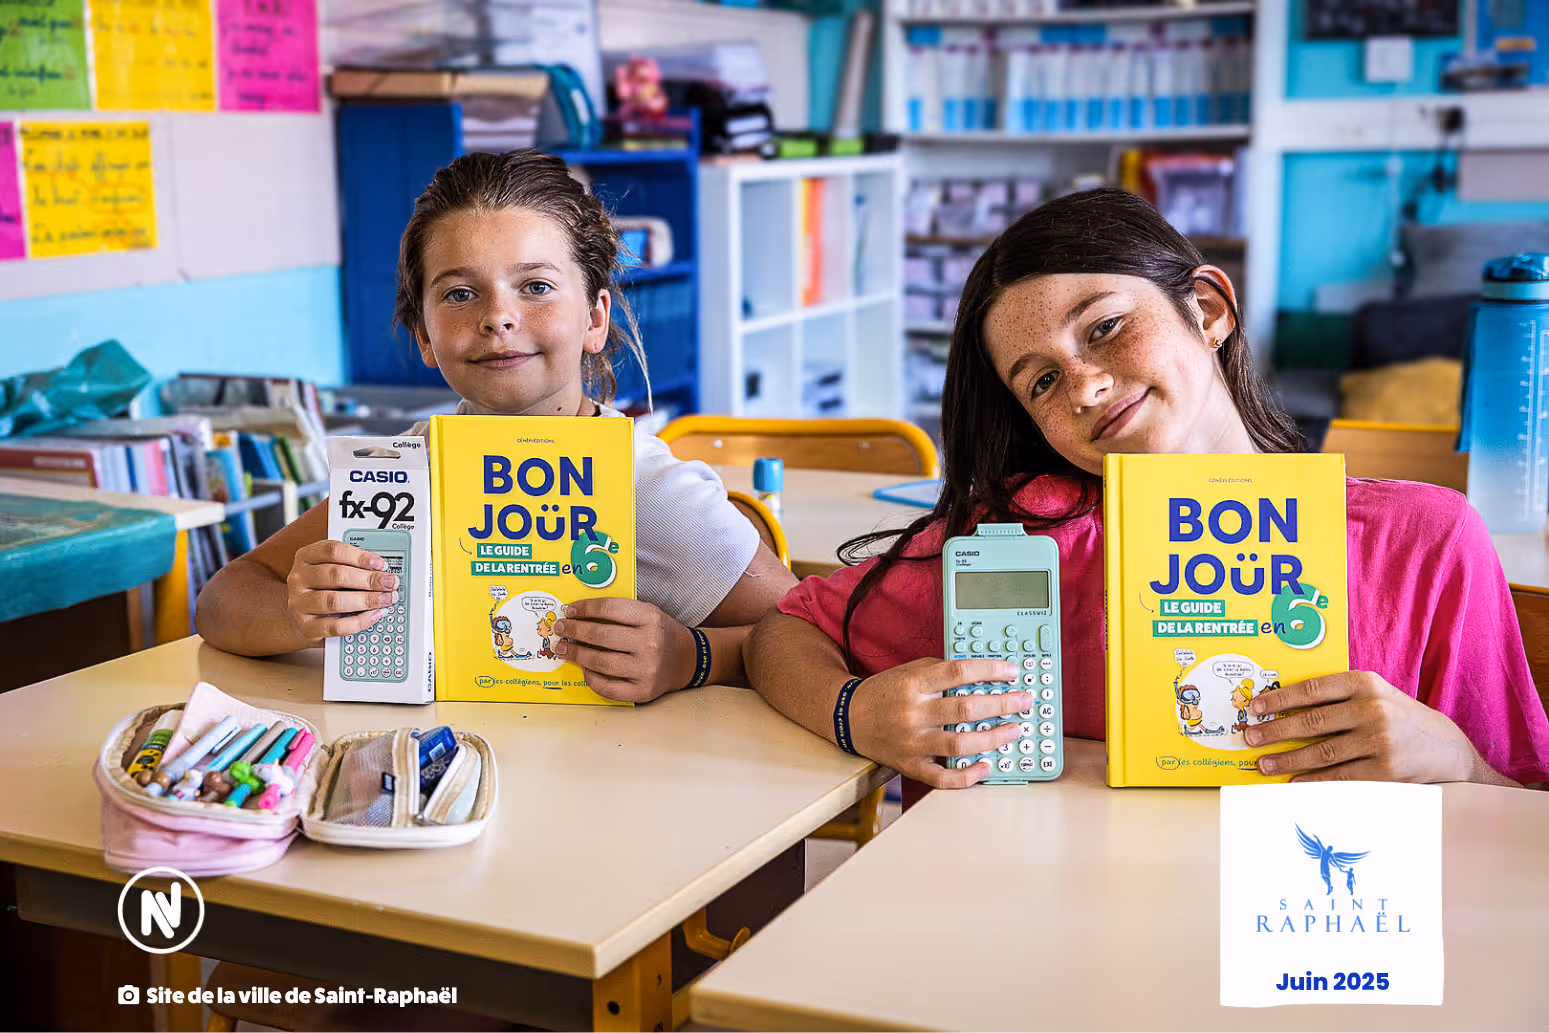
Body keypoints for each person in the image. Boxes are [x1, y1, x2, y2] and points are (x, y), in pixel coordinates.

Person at [746, 188, 1549, 791]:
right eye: (1041, 381)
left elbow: (1520, 814)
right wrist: (854, 712)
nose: (1085, 387)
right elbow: (785, 630)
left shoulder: (1422, 538)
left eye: (1103, 327)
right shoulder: (1022, 533)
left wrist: (1459, 763)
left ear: (1206, 309)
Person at [198, 150, 795, 701]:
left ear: (594, 318)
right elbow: (223, 599)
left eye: (536, 287)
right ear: (424, 336)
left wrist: (691, 657)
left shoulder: (650, 489)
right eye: (460, 294)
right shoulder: (408, 471)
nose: (498, 317)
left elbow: (809, 633)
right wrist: (299, 613)